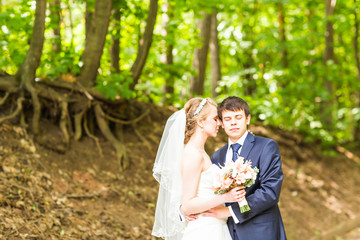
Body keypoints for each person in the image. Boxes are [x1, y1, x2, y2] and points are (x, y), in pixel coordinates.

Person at [152, 97, 245, 240]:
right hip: (204, 230)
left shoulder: (201, 153)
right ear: (200, 122)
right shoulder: (193, 154)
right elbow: (188, 204)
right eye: (215, 119)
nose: (219, 123)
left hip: (215, 226)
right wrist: (226, 197)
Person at [203, 96, 287, 240]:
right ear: (221, 123)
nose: (233, 122)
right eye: (228, 119)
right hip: (227, 232)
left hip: (261, 231)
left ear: (247, 119)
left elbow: (270, 192)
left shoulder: (266, 146)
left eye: (238, 117)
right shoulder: (217, 156)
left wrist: (230, 211)